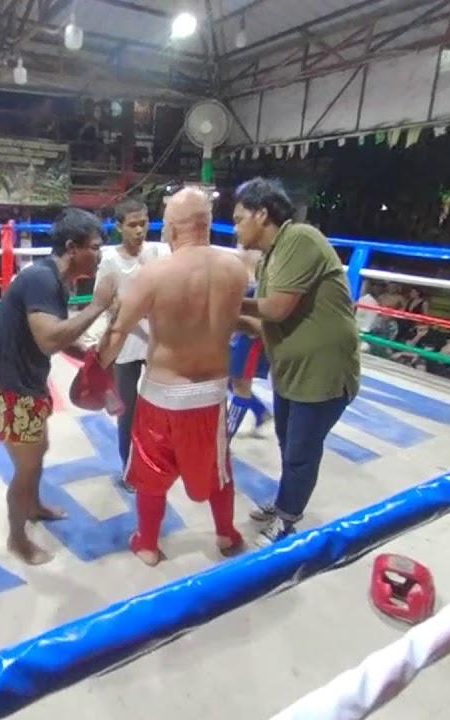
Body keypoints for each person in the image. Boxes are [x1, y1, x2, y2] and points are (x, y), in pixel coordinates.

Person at [98, 187, 247, 566]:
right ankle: (226, 534)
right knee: (218, 467)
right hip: (210, 393)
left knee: (150, 471)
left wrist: (97, 372)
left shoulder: (155, 273)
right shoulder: (235, 269)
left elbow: (117, 332)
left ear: (175, 229)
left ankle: (148, 544)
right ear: (208, 224)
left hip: (162, 394)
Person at [0, 208, 114, 565]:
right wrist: (99, 305)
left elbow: (54, 333)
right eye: (95, 247)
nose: (99, 254)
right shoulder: (42, 279)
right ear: (72, 247)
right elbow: (50, 338)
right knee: (27, 467)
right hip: (11, 390)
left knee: (38, 454)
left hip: (25, 384)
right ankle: (17, 539)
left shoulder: (54, 280)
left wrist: (84, 350)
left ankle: (35, 507)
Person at [234, 178, 360, 547]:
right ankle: (286, 501)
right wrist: (226, 318)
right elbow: (264, 323)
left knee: (301, 451)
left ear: (262, 213)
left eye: (241, 218)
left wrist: (224, 298)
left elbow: (275, 308)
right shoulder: (271, 258)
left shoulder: (300, 239)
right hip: (292, 373)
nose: (237, 225)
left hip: (323, 374)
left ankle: (287, 520)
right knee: (289, 443)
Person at [93, 197, 170, 488]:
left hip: (157, 342)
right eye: (133, 225)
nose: (139, 230)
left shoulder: (159, 252)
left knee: (158, 408)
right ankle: (129, 471)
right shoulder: (111, 259)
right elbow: (102, 302)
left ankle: (154, 461)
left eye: (143, 223)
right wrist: (131, 316)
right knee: (127, 412)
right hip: (125, 344)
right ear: (119, 226)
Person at [228, 247, 271, 438]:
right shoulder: (244, 253)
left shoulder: (267, 258)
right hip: (237, 331)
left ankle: (225, 436)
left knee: (240, 385)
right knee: (230, 380)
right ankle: (261, 411)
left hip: (251, 336)